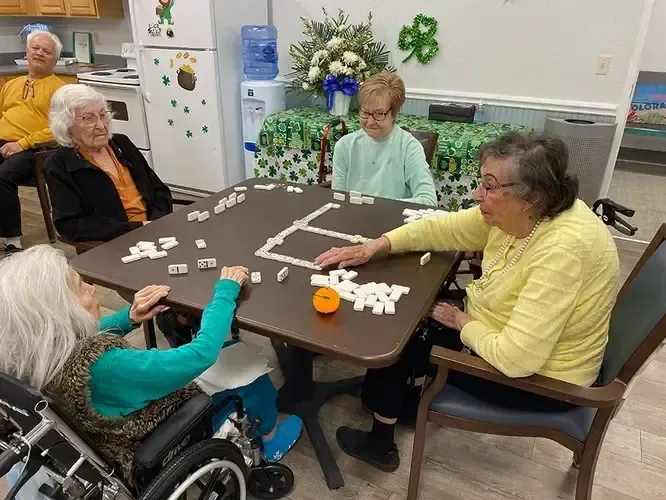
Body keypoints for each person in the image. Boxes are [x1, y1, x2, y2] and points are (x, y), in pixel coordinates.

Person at [315, 132, 619, 472]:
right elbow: (444, 229)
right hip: (516, 339)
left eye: (488, 186)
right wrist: (377, 245)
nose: (477, 194)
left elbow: (517, 360)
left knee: (405, 334)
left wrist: (462, 322)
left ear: (530, 195)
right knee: (419, 322)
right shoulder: (527, 213)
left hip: (540, 382)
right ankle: (399, 404)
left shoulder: (562, 250)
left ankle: (380, 443)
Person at [0, 245, 302, 491]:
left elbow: (75, 340)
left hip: (103, 433)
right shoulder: (107, 366)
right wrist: (225, 291)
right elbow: (201, 353)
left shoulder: (31, 358)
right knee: (247, 367)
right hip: (151, 439)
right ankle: (272, 439)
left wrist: (127, 317)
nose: (92, 289)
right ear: (58, 313)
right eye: (81, 287)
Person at [44, 84, 173, 242]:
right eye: (88, 118)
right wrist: (139, 228)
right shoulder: (59, 165)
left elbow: (159, 191)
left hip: (156, 232)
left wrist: (156, 223)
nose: (101, 126)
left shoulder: (122, 144)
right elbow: (70, 225)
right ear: (67, 126)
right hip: (114, 243)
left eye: (103, 115)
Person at [0, 31, 64, 254]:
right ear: (26, 53)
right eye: (35, 48)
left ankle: (12, 238)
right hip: (2, 142)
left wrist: (22, 143)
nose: (39, 53)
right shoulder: (11, 84)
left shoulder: (59, 89)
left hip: (34, 149)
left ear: (54, 61)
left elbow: (58, 130)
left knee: (3, 176)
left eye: (46, 52)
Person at [331, 72, 437, 206]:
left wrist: (378, 207)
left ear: (395, 113)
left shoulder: (409, 147)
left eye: (379, 114)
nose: (369, 122)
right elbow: (338, 199)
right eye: (365, 112)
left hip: (395, 223)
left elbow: (428, 201)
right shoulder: (345, 146)